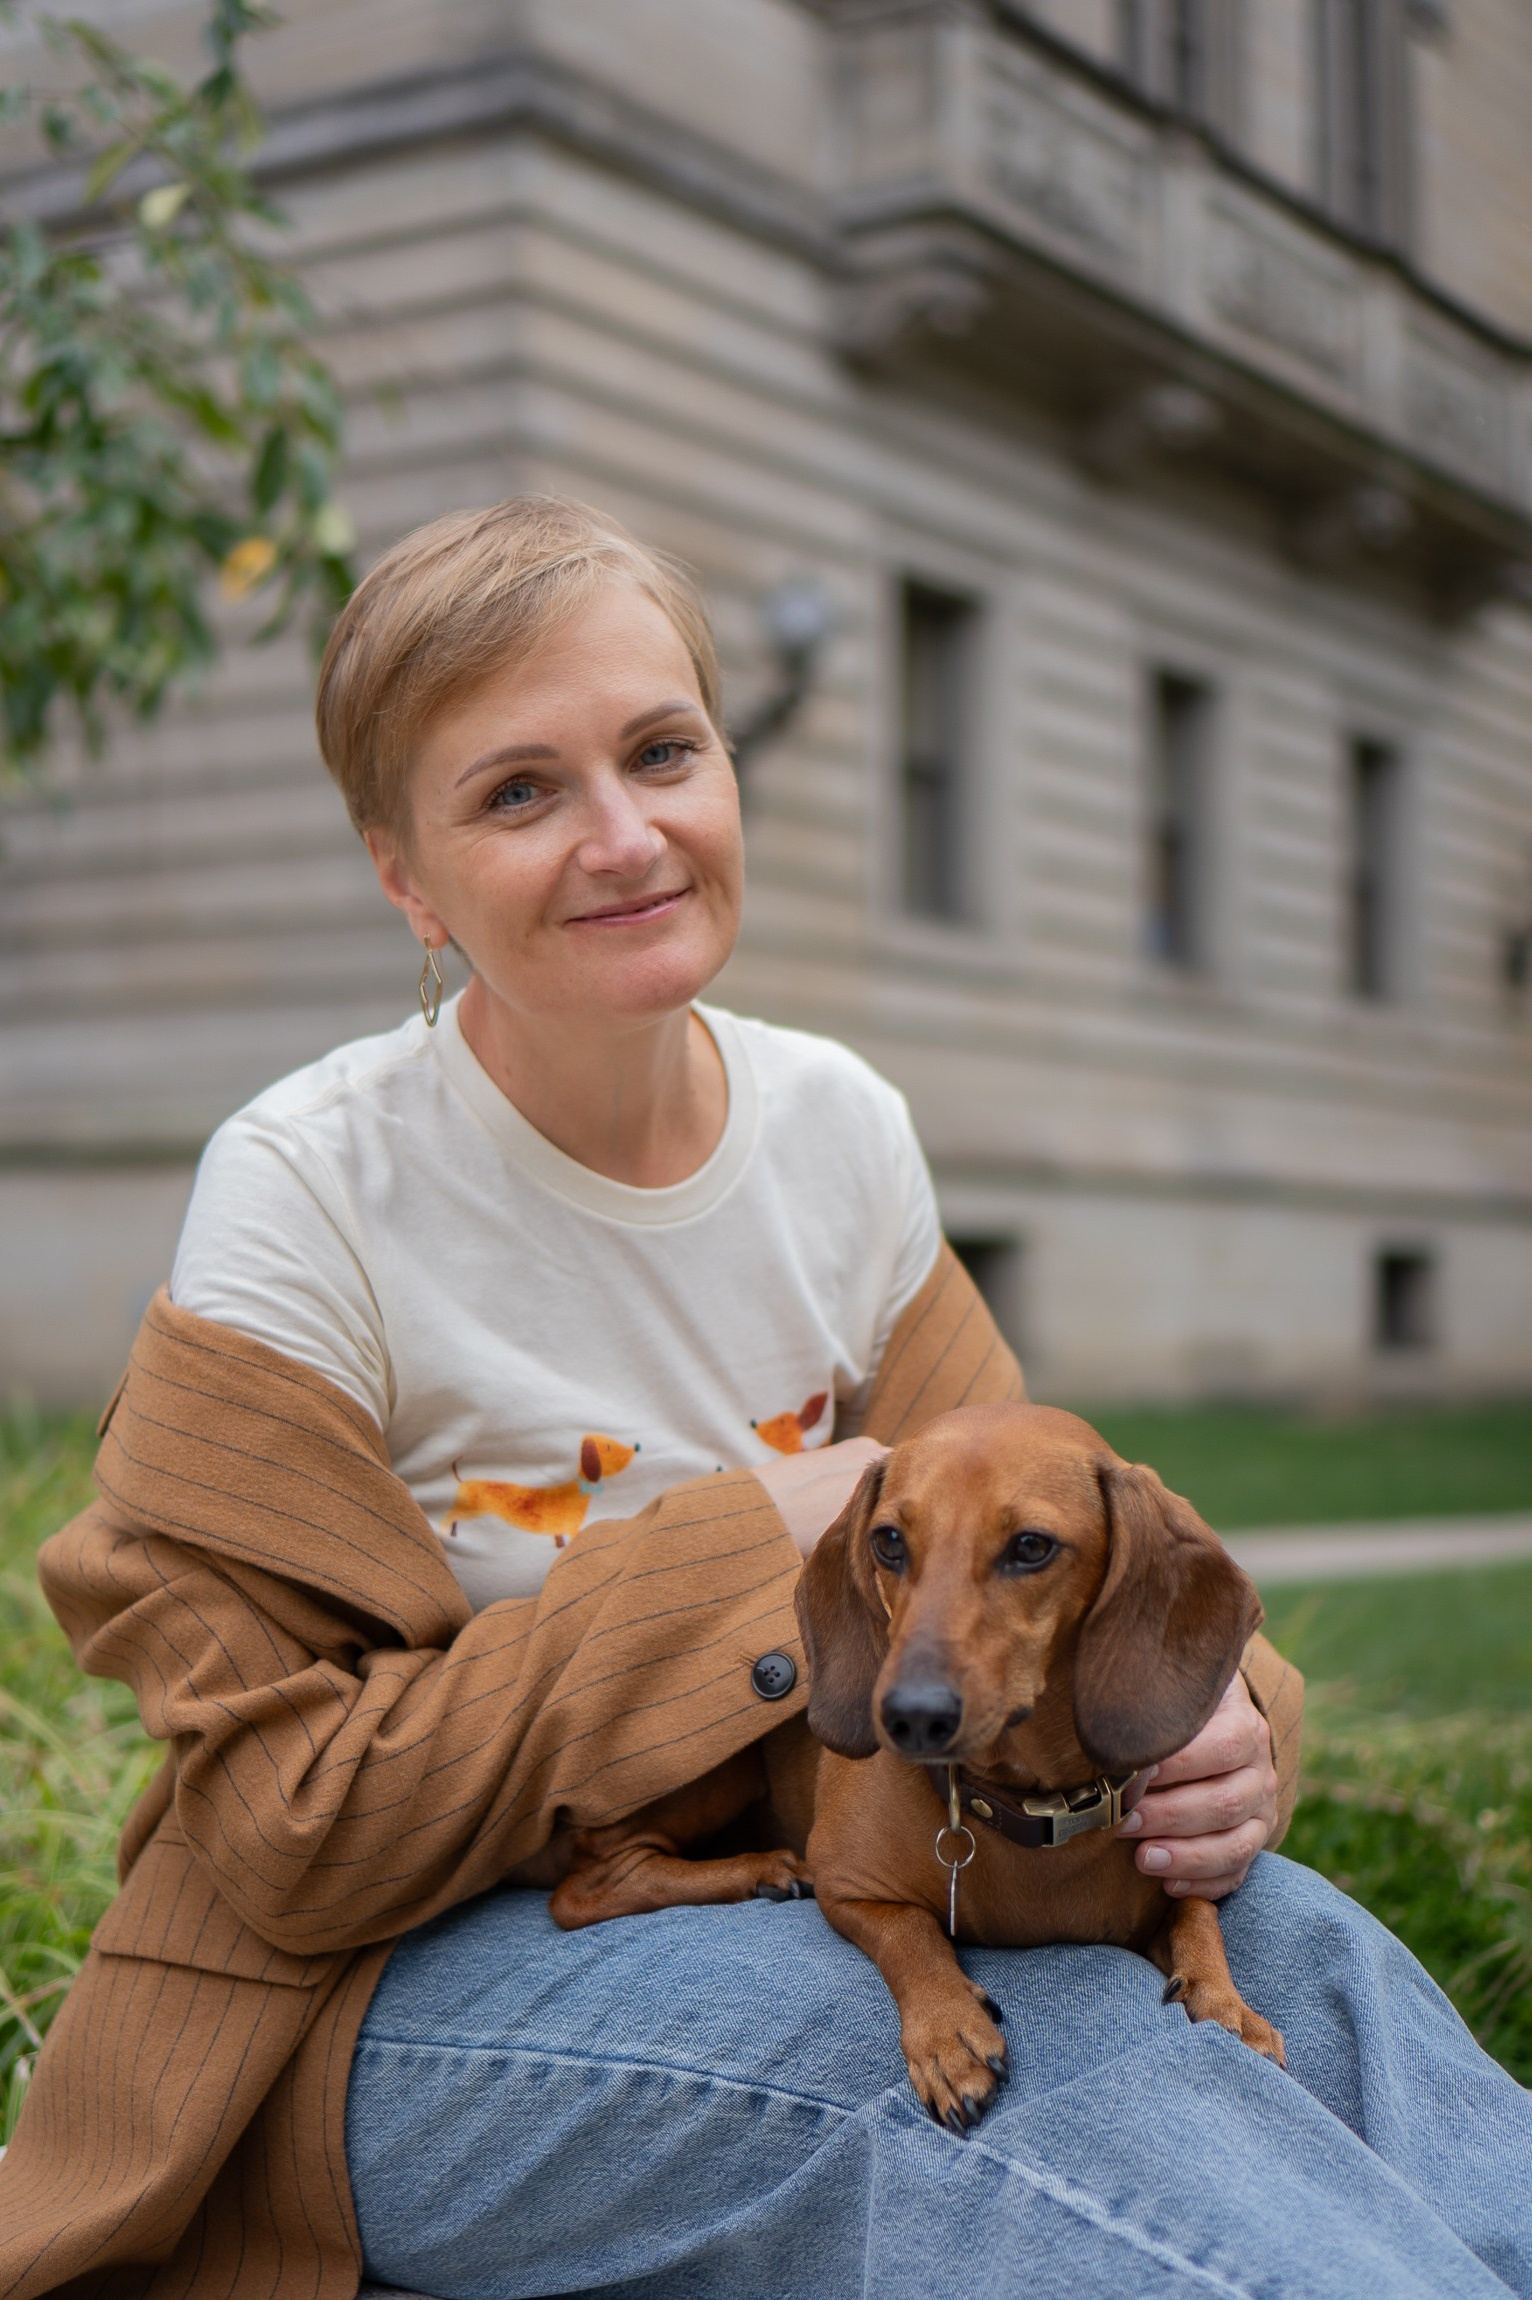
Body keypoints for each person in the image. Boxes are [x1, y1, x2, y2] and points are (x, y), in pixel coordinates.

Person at [2, 498, 1527, 2300]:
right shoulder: (305, 1192)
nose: (625, 835)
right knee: (1064, 2074)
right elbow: (293, 1839)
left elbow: (1049, 1544)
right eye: (517, 792)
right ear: (403, 875)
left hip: (844, 1856)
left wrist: (1229, 1721)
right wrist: (754, 1542)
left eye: (663, 751)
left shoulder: (840, 1133)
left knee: (1327, 1967)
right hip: (386, 1998)